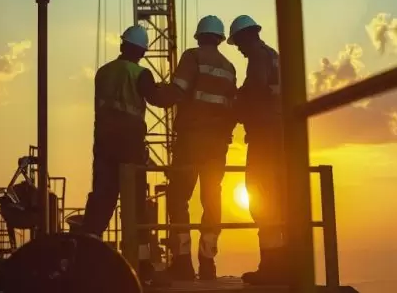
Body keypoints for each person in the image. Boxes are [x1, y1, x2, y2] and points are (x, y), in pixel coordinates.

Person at [81, 24, 173, 286]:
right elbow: (157, 99)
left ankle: (87, 260)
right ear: (142, 51)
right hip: (129, 149)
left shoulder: (103, 72)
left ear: (123, 45)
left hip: (103, 148)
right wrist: (176, 91)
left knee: (100, 202)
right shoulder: (140, 73)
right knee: (135, 209)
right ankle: (141, 265)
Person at [164, 16, 237, 281]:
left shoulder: (192, 57)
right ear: (219, 38)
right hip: (217, 145)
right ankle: (208, 263)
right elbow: (233, 106)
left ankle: (183, 262)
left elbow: (177, 90)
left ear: (199, 36)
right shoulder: (229, 67)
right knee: (212, 199)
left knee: (178, 197)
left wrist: (151, 93)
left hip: (191, 140)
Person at [227, 15, 287, 285]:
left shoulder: (258, 59)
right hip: (280, 136)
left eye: (238, 43)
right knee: (277, 200)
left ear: (246, 37)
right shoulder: (273, 55)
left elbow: (256, 90)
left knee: (260, 196)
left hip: (265, 136)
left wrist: (236, 103)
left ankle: (272, 267)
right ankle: (281, 264)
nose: (238, 49)